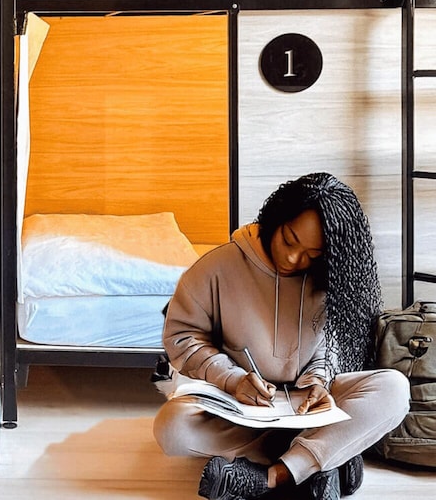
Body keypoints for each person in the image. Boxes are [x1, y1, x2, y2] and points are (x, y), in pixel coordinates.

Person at [152, 173, 410, 500]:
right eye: (289, 240)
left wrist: (318, 380)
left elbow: (328, 344)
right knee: (172, 428)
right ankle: (322, 458)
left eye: (312, 254)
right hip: (241, 406)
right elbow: (183, 335)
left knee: (393, 388)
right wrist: (232, 379)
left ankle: (274, 476)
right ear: (276, 219)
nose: (293, 259)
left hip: (305, 406)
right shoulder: (215, 268)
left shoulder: (328, 277)